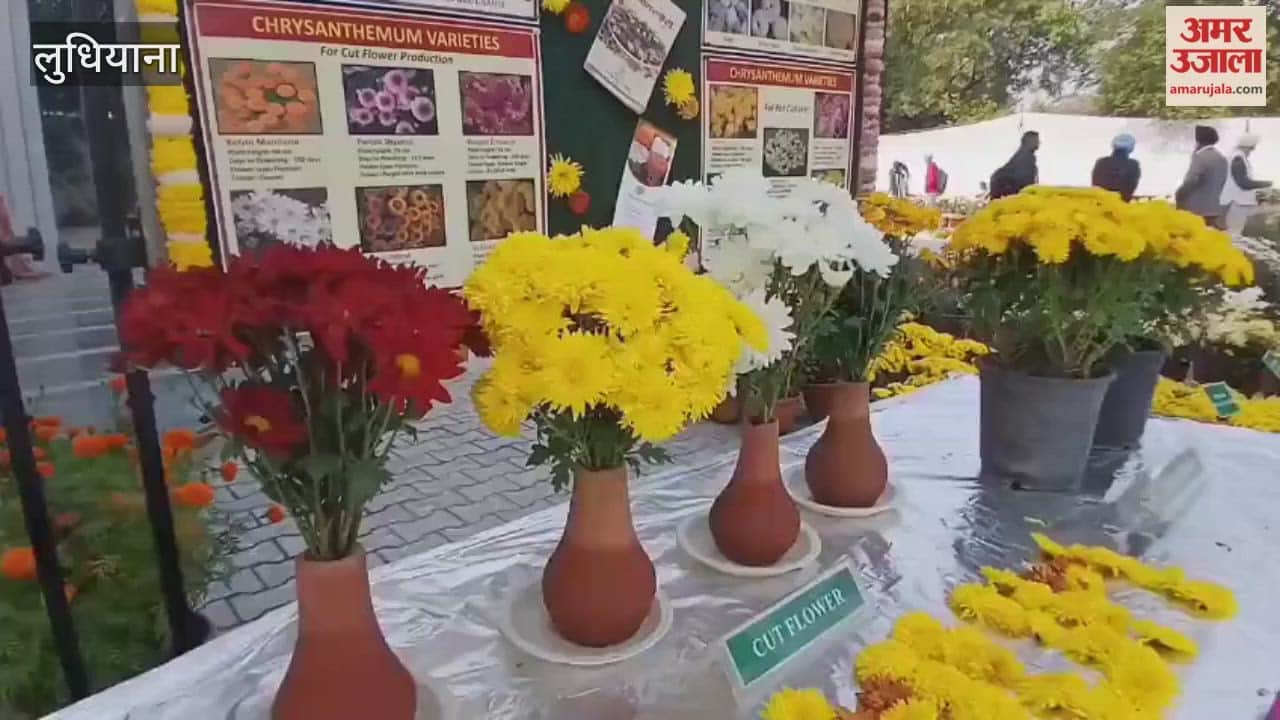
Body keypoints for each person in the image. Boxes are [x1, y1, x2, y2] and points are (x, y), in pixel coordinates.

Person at [1175, 125, 1228, 228]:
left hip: (1196, 209)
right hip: (1213, 208)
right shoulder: (1221, 157)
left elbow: (1191, 180)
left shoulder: (1200, 157)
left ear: (1199, 141)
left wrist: (1179, 194)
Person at [1220, 133, 1272, 235]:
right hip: (1238, 202)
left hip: (1238, 202)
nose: (1251, 152)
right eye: (1252, 149)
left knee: (1235, 231)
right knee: (1234, 232)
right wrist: (1266, 184)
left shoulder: (1235, 156)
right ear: (1246, 147)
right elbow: (1243, 183)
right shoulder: (1238, 159)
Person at [989, 131, 1039, 199]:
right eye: (1036, 140)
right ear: (1029, 142)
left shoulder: (1022, 154)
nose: (1038, 143)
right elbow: (1026, 183)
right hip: (1005, 190)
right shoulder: (1026, 156)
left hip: (1002, 187)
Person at [1091, 134, 1141, 201]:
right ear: (1131, 147)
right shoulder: (1133, 165)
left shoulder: (1101, 162)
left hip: (1100, 203)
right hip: (1120, 205)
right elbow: (1130, 188)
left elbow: (1095, 184)